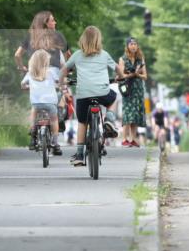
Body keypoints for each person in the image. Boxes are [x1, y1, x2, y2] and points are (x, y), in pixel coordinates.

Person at [60, 26, 120, 166]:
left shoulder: (77, 55)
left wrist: (62, 81)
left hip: (83, 96)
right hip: (103, 93)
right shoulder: (104, 54)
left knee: (82, 122)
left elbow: (63, 70)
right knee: (114, 97)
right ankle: (109, 120)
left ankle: (80, 154)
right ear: (99, 40)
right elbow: (119, 70)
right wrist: (119, 77)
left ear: (83, 40)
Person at [14, 10, 69, 145]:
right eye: (52, 20)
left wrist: (22, 68)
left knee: (35, 102)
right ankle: (59, 116)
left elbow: (17, 55)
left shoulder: (30, 36)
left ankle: (33, 134)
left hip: (34, 71)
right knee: (60, 93)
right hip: (54, 72)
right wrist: (68, 69)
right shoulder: (58, 36)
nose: (55, 22)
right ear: (46, 23)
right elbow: (68, 55)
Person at [21, 50, 63, 155]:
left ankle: (33, 131)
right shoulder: (52, 71)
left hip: (36, 102)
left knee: (33, 111)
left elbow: (22, 84)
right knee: (54, 119)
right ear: (47, 61)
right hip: (50, 102)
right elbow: (59, 81)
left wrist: (26, 87)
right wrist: (59, 85)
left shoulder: (30, 73)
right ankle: (55, 142)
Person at [117, 37, 147, 147]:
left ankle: (133, 138)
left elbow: (145, 76)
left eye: (135, 44)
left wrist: (138, 74)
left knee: (135, 116)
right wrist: (132, 74)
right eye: (131, 44)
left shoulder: (140, 59)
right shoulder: (123, 59)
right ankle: (124, 139)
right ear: (127, 46)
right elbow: (120, 75)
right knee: (128, 115)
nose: (133, 46)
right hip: (128, 90)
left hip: (138, 90)